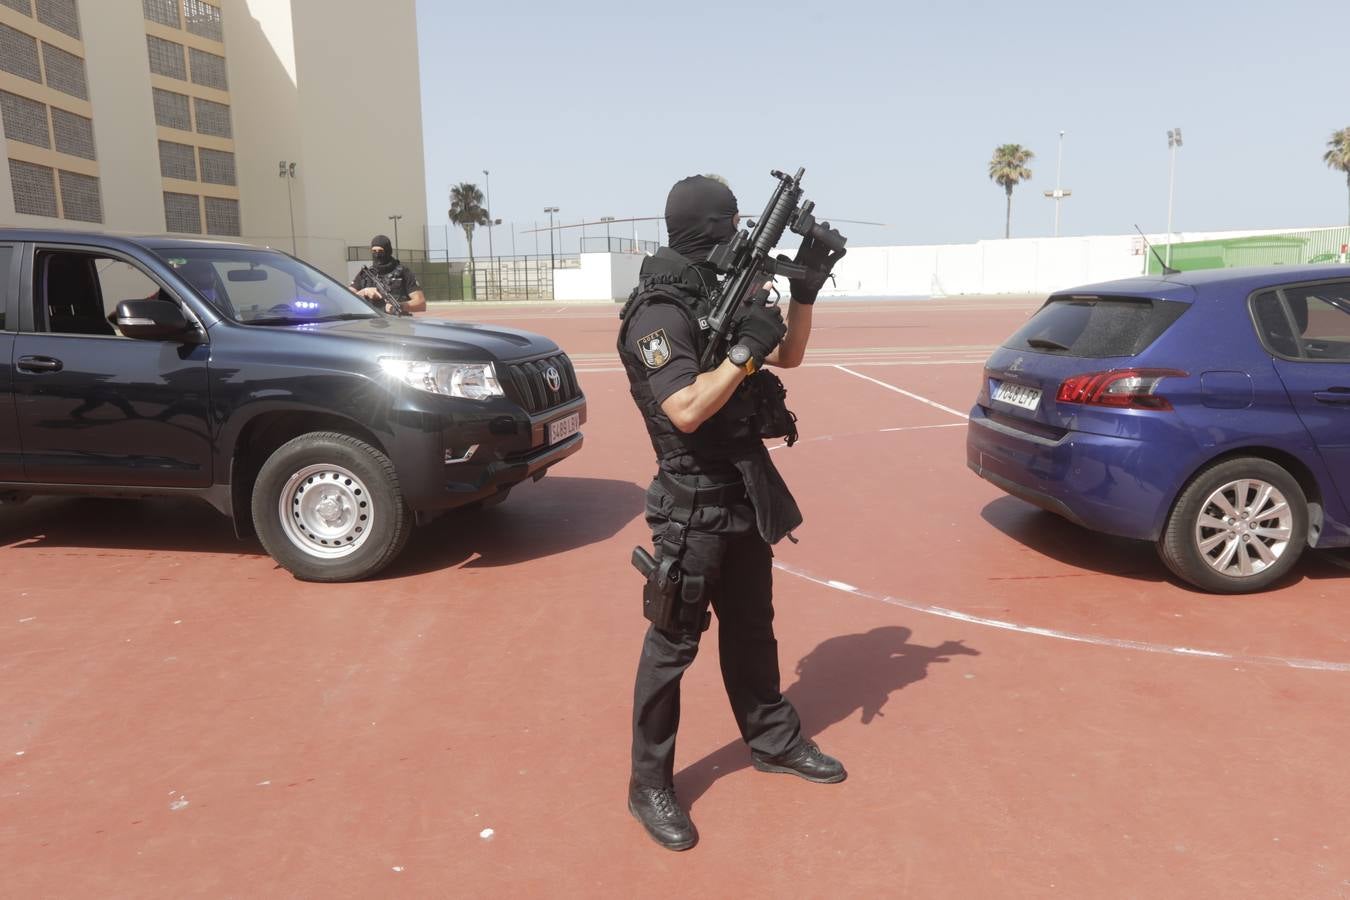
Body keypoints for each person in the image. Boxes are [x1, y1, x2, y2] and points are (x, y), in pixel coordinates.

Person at [617, 174, 846, 851]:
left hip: (742, 489)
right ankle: (648, 783)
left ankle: (772, 739)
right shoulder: (658, 314)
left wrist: (802, 291)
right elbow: (685, 407)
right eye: (726, 224)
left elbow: (792, 353)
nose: (734, 234)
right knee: (672, 645)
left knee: (753, 626)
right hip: (690, 502)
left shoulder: (722, 292)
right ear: (703, 230)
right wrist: (743, 352)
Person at [350, 234, 427, 314]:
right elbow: (346, 296)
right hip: (370, 323)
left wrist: (399, 306)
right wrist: (364, 292)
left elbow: (421, 304)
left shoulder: (403, 272)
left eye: (380, 251)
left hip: (397, 323)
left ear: (388, 251)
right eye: (374, 251)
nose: (377, 255)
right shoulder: (365, 274)